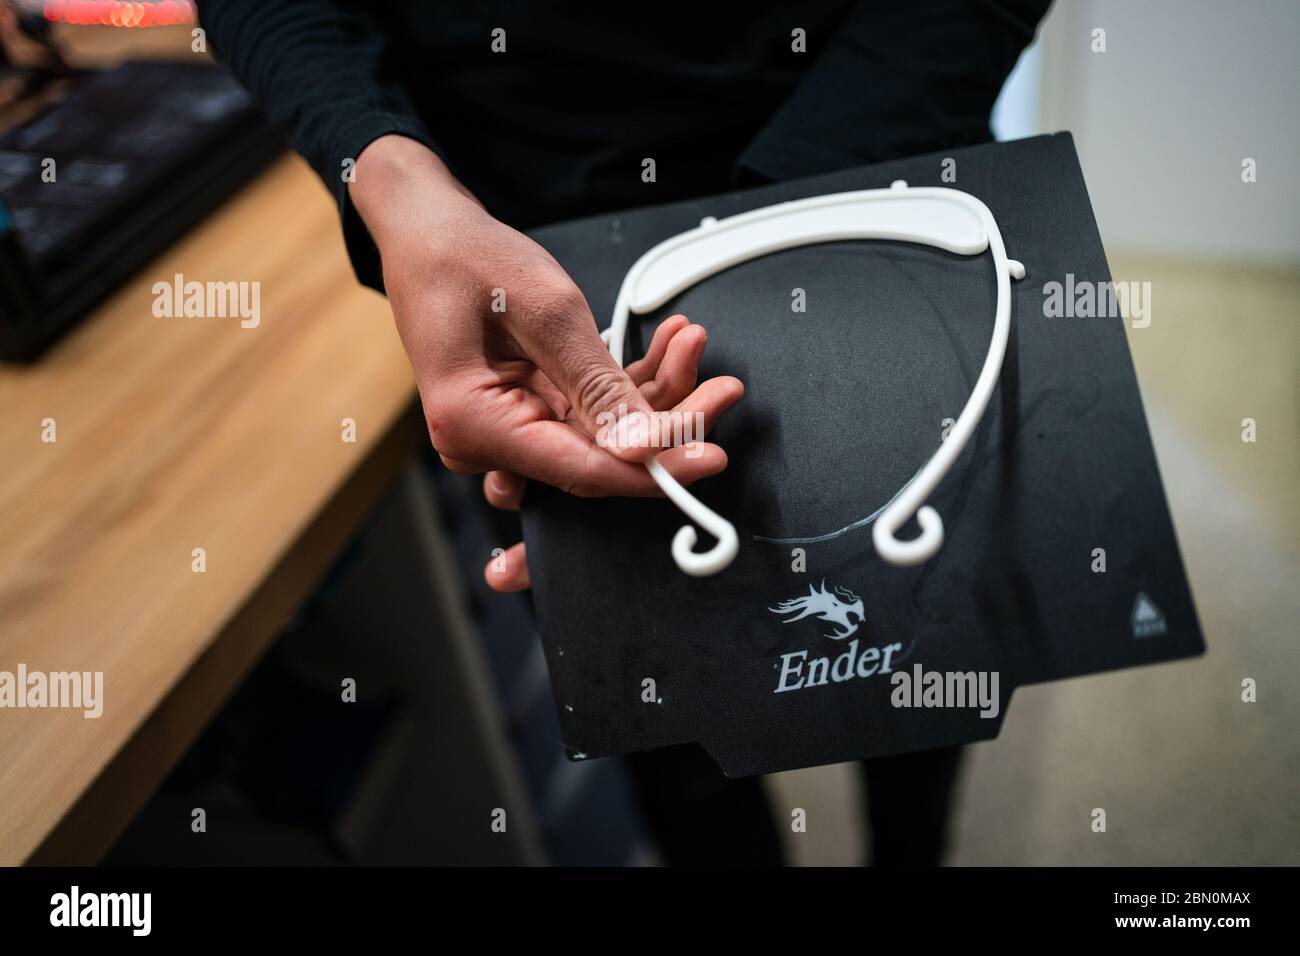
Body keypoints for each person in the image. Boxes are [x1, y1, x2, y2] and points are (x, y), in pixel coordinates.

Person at [197, 0, 1050, 865]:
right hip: (542, 287)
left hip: (882, 186)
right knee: (682, 736)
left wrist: (799, 212)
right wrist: (390, 174)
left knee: (921, 663)